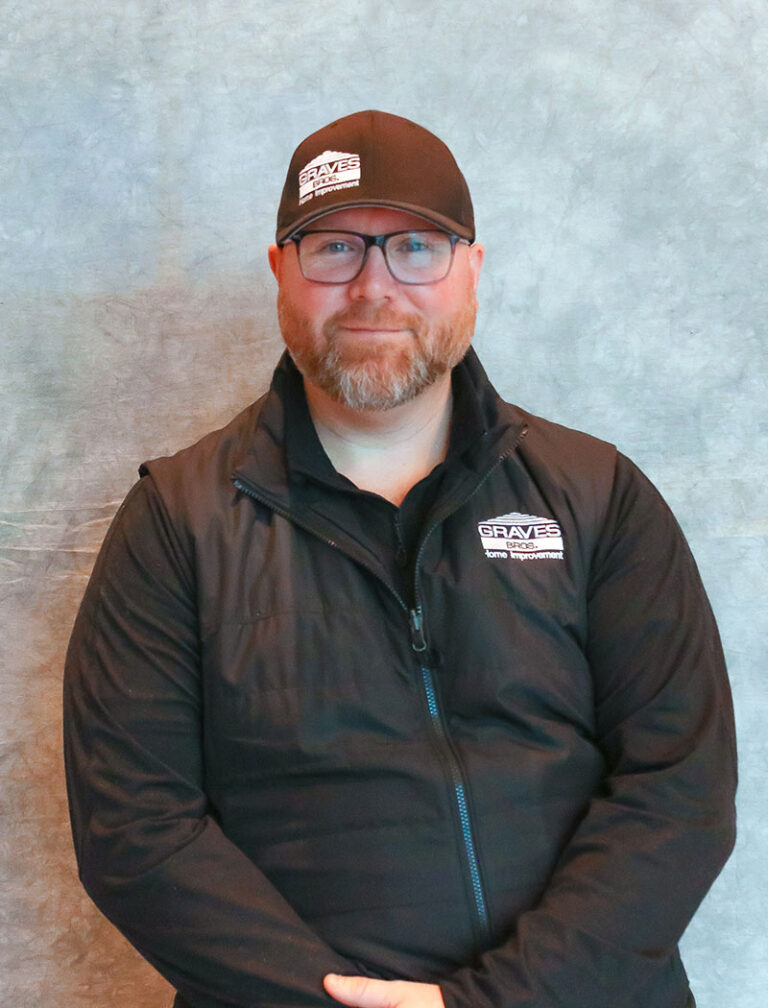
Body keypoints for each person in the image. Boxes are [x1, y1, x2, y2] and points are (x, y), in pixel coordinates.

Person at [63, 110, 737, 1008]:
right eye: (334, 248)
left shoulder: (597, 495)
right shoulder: (175, 524)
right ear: (280, 271)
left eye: (416, 247)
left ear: (472, 270)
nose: (374, 287)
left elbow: (680, 788)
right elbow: (137, 830)